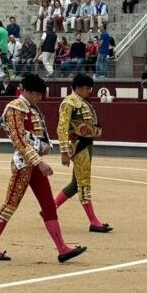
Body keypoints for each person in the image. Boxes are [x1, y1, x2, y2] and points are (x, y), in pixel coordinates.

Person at [0, 74, 87, 263]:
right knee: (10, 204)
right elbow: (20, 140)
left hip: (35, 162)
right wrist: (39, 161)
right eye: (38, 94)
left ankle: (62, 248)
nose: (40, 98)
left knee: (48, 204)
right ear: (28, 91)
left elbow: (39, 136)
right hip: (23, 165)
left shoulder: (32, 107)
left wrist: (46, 149)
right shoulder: (14, 108)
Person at [54, 74, 112, 233]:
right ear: (78, 87)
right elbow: (62, 128)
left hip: (87, 143)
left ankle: (49, 210)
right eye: (87, 88)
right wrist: (64, 152)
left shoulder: (83, 102)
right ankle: (94, 221)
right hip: (78, 146)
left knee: (74, 185)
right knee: (84, 182)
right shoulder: (69, 103)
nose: (90, 91)